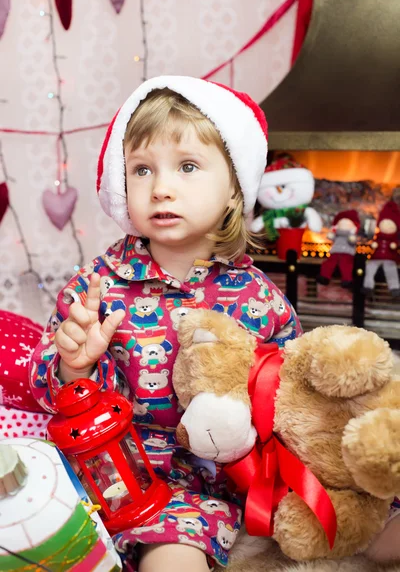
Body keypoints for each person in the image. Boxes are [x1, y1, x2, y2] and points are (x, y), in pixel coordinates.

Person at [29, 76, 303, 571]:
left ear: (234, 189)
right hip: (111, 474)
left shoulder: (258, 297)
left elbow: (295, 397)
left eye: (188, 166)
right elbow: (45, 389)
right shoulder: (96, 286)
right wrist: (74, 366)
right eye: (141, 170)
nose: (161, 188)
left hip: (205, 482)